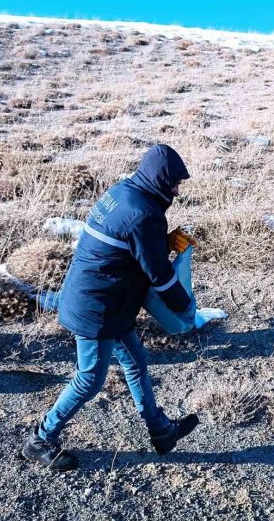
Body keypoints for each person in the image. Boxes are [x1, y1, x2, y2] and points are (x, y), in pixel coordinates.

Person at [22, 144, 199, 472]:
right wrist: (185, 308)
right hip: (97, 308)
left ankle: (161, 431)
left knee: (135, 362)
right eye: (174, 183)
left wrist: (163, 241)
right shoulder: (144, 213)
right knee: (89, 378)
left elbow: (130, 246)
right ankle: (40, 440)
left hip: (107, 300)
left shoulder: (125, 192)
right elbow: (158, 276)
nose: (176, 190)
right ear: (160, 180)